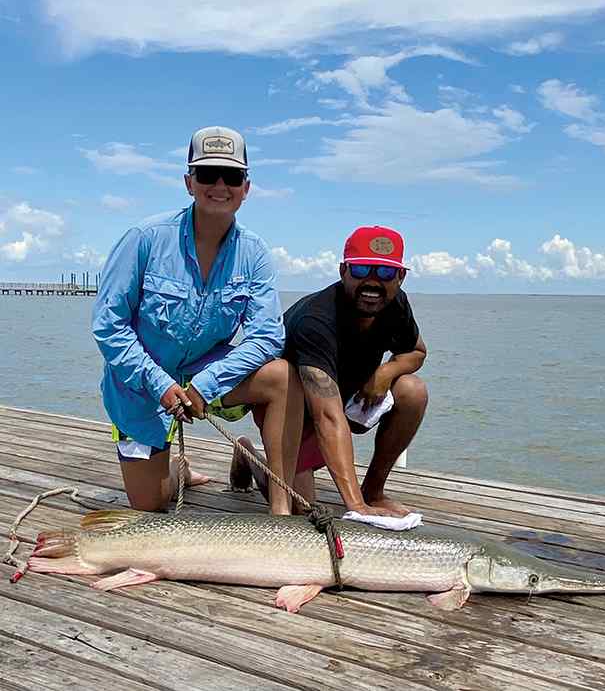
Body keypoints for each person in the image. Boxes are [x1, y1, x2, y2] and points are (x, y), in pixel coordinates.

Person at [93, 126, 304, 515]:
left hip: (208, 376)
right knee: (151, 505)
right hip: (141, 386)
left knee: (283, 375)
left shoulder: (255, 253)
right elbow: (109, 325)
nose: (220, 185)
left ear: (246, 187)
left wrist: (206, 385)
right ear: (189, 182)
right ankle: (178, 470)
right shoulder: (144, 238)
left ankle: (280, 509)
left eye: (232, 176)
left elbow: (267, 337)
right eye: (208, 174)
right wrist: (160, 384)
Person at [230, 225, 428, 518]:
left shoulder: (396, 304)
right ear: (343, 270)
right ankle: (250, 457)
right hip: (296, 413)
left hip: (347, 398)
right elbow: (327, 416)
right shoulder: (317, 320)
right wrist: (355, 508)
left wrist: (386, 372)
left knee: (413, 390)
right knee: (300, 509)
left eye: (385, 273)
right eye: (361, 270)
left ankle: (373, 490)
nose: (372, 282)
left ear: (401, 277)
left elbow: (417, 351)